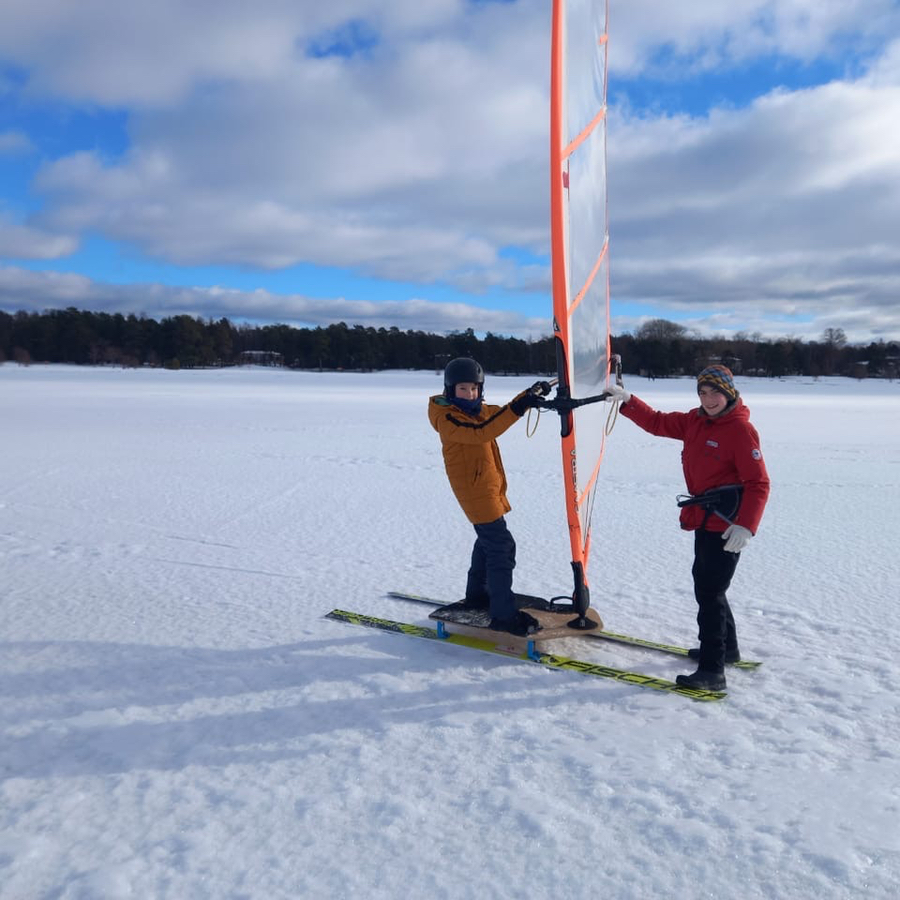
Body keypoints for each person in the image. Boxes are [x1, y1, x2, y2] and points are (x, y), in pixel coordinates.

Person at [605, 365, 770, 690]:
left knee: (709, 592)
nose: (709, 399)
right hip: (704, 517)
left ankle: (713, 671)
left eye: (715, 393)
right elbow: (658, 422)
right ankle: (729, 650)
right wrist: (627, 401)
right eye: (703, 393)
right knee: (709, 586)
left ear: (730, 393)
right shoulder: (695, 420)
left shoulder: (740, 430)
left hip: (727, 523)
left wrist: (746, 527)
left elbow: (759, 483)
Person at [428, 357, 550, 637]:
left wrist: (529, 396)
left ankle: (478, 596)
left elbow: (500, 413)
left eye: (474, 389)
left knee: (487, 542)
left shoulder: (476, 410)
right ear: (450, 390)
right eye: (463, 389)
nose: (469, 394)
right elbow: (485, 430)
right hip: (473, 490)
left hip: (486, 487)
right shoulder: (449, 417)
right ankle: (503, 616)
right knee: (501, 547)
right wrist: (519, 408)